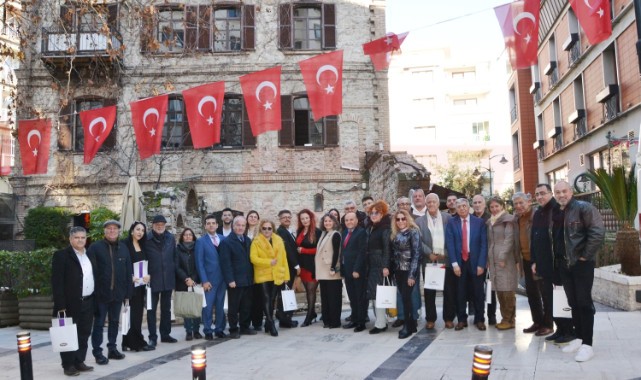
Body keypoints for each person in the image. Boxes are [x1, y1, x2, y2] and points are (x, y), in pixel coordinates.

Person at [554, 180, 604, 362]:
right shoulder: (558, 212)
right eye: (557, 192)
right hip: (565, 265)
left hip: (581, 264)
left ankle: (588, 345)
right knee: (573, 302)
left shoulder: (584, 208)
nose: (561, 195)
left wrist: (584, 256)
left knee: (584, 303)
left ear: (571, 191)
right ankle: (580, 338)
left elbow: (597, 232)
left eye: (564, 191)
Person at [531, 184, 574, 344]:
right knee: (549, 299)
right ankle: (559, 329)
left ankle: (568, 330)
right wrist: (534, 260)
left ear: (550, 194)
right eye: (537, 194)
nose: (540, 197)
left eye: (543, 193)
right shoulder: (538, 213)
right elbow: (534, 238)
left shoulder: (558, 209)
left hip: (557, 264)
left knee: (561, 298)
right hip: (543, 265)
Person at [52, 227, 96, 376]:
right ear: (70, 239)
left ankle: (79, 361)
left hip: (88, 301)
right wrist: (61, 306)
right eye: (77, 237)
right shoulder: (61, 256)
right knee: (68, 334)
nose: (80, 240)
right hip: (69, 304)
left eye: (83, 237)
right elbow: (57, 283)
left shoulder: (89, 255)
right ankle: (68, 364)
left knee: (84, 333)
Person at [90, 220, 132, 365]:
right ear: (104, 231)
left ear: (119, 231)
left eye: (115, 229)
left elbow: (128, 272)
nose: (112, 231)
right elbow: (91, 273)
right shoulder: (95, 248)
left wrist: (128, 293)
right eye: (109, 229)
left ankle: (112, 348)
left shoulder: (124, 248)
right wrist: (94, 292)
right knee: (99, 324)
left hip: (118, 294)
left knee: (114, 322)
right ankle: (97, 352)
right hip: (101, 294)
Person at [446, 198, 488, 331]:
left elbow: (484, 244)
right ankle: (461, 320)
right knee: (460, 292)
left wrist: (481, 264)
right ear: (456, 209)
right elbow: (450, 244)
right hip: (460, 263)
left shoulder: (479, 222)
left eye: (464, 206)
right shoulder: (451, 222)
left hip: (475, 262)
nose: (462, 209)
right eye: (459, 207)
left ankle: (479, 319)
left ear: (468, 207)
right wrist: (454, 264)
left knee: (478, 292)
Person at [513, 192, 551, 336]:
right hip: (526, 260)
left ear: (529, 202)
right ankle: (537, 322)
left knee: (545, 293)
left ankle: (548, 324)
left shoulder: (537, 216)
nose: (518, 206)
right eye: (516, 204)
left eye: (521, 202)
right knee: (532, 293)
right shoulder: (517, 218)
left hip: (539, 260)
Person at [415, 193, 454, 329]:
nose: (431, 204)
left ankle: (448, 318)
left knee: (449, 291)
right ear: (426, 204)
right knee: (429, 292)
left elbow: (453, 238)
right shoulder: (419, 221)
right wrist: (429, 253)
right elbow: (418, 240)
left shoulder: (448, 218)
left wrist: (446, 253)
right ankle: (430, 319)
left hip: (446, 260)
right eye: (429, 202)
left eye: (434, 202)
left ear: (438, 203)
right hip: (429, 261)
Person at [250, 219, 290, 337]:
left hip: (277, 274)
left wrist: (286, 275)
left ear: (273, 229)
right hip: (263, 274)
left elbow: (284, 259)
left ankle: (267, 323)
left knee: (272, 299)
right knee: (266, 298)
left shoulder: (278, 240)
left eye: (269, 228)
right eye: (264, 228)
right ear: (260, 229)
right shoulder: (256, 242)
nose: (267, 230)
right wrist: (269, 262)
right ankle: (271, 323)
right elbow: (253, 258)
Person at [219, 215, 255, 339]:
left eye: (243, 225)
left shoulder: (248, 240)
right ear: (233, 226)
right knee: (234, 306)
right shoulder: (226, 242)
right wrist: (230, 280)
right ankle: (233, 329)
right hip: (235, 280)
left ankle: (245, 326)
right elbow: (225, 262)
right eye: (238, 225)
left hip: (248, 279)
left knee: (247, 305)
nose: (240, 228)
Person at [486, 197, 518, 330]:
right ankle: (505, 318)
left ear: (502, 206)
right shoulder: (490, 221)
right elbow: (489, 241)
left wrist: (502, 257)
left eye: (496, 206)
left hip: (505, 258)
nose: (494, 209)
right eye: (492, 207)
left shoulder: (508, 220)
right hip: (493, 259)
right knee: (499, 288)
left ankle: (509, 319)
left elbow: (509, 239)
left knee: (507, 288)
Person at [121, 221, 154, 352]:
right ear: (132, 230)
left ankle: (127, 342)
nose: (140, 232)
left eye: (143, 230)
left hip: (140, 286)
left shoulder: (143, 245)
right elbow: (121, 263)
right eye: (138, 229)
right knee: (130, 315)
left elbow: (148, 264)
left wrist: (148, 276)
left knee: (137, 314)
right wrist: (129, 276)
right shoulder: (124, 244)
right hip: (129, 285)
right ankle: (135, 343)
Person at [146, 215, 177, 346]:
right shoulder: (146, 239)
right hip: (152, 279)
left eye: (162, 224)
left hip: (168, 278)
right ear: (153, 225)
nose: (160, 226)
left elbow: (174, 257)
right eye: (157, 224)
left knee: (166, 309)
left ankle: (165, 334)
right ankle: (152, 336)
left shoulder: (170, 238)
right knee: (151, 310)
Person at [390, 209, 421, 339]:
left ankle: (408, 326)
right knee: (404, 297)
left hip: (409, 270)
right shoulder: (395, 234)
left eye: (403, 218)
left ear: (407, 219)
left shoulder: (413, 233)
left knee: (407, 299)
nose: (401, 221)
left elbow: (416, 255)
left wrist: (411, 275)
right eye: (398, 219)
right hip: (398, 271)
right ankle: (412, 325)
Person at [195, 215, 228, 339]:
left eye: (213, 223)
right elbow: (200, 262)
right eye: (208, 223)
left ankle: (219, 329)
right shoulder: (201, 241)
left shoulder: (223, 239)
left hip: (223, 279)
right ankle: (208, 329)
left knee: (220, 305)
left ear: (217, 225)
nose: (211, 225)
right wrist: (204, 280)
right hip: (209, 279)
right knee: (208, 306)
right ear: (205, 226)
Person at [365, 201, 392, 334]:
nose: (374, 215)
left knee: (379, 295)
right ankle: (382, 321)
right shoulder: (371, 227)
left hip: (380, 265)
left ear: (383, 214)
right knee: (375, 295)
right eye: (372, 213)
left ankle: (380, 323)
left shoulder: (385, 228)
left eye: (377, 212)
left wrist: (385, 266)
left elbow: (387, 249)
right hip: (372, 264)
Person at [341, 211, 368, 332]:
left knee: (360, 297)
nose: (349, 222)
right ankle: (355, 319)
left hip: (357, 271)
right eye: (347, 220)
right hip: (347, 270)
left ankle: (361, 323)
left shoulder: (361, 232)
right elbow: (344, 253)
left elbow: (362, 252)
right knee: (352, 297)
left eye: (351, 220)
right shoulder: (345, 232)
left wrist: (357, 269)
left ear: (356, 220)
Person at [471, 194, 496, 325]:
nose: (477, 205)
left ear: (484, 204)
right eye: (474, 202)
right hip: (475, 260)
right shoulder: (470, 219)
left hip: (491, 259)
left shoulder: (491, 218)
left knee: (491, 289)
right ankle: (478, 314)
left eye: (479, 202)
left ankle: (492, 315)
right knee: (477, 289)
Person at [315, 213, 343, 329]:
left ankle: (335, 321)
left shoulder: (336, 234)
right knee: (325, 297)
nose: (327, 223)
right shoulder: (323, 234)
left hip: (331, 270)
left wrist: (333, 267)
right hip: (322, 270)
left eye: (330, 221)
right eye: (325, 221)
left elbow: (337, 252)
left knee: (334, 297)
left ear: (334, 222)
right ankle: (327, 320)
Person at [174, 228, 202, 341]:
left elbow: (199, 264)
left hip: (196, 282)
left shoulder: (197, 249)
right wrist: (186, 279)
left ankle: (196, 330)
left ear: (193, 237)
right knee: (186, 307)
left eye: (190, 235)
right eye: (186, 235)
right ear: (182, 237)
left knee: (196, 306)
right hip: (183, 282)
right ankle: (188, 331)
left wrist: (193, 279)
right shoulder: (178, 249)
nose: (188, 237)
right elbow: (177, 267)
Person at [296, 209, 321, 326]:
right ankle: (312, 313)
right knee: (307, 291)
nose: (305, 220)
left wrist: (304, 250)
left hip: (312, 266)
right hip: (303, 266)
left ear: (311, 218)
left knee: (311, 291)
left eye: (307, 218)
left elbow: (319, 250)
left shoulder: (317, 232)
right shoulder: (300, 231)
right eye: (302, 218)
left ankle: (309, 315)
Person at [275, 210, 300, 328]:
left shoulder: (287, 231)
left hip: (289, 267)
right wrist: (296, 265)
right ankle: (285, 319)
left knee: (287, 293)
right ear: (279, 219)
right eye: (284, 217)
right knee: (285, 293)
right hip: (287, 268)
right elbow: (288, 250)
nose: (287, 219)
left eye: (289, 217)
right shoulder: (280, 232)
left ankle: (285, 318)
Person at [246, 210, 264, 331]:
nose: (253, 218)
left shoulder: (261, 233)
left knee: (258, 296)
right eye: (250, 216)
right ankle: (246, 321)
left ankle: (257, 322)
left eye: (255, 217)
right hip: (246, 268)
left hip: (258, 267)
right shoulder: (242, 231)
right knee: (247, 297)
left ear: (258, 220)